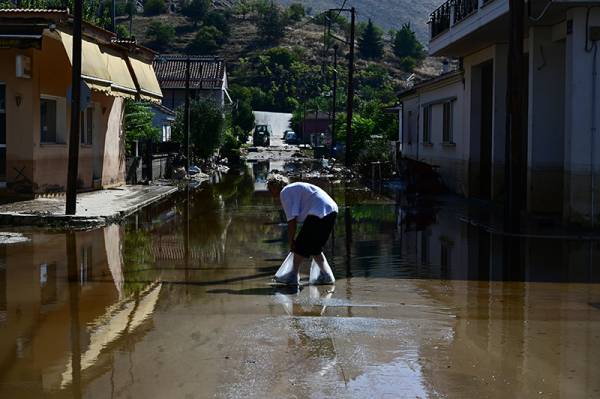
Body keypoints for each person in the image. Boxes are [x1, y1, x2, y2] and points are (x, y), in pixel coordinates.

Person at [267, 174, 338, 285]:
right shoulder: (293, 189)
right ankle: (327, 276)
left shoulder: (284, 192)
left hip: (319, 211)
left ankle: (292, 276)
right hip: (331, 210)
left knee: (299, 246)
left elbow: (291, 221)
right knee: (314, 248)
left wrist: (291, 241)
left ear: (274, 187)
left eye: (270, 189)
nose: (270, 193)